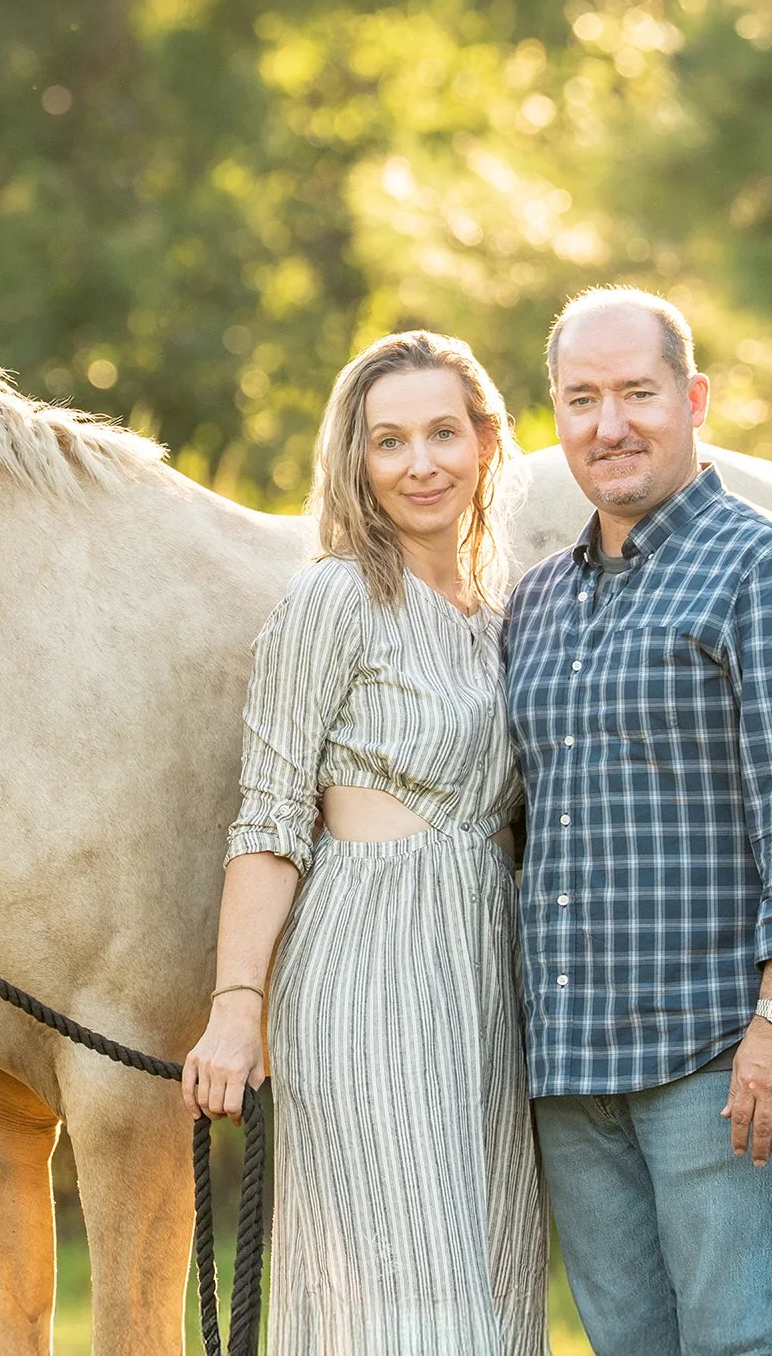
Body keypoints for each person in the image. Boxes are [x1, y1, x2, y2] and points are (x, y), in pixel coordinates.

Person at [504, 288, 772, 1356]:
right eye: (580, 399)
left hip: (715, 1055)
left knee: (736, 1342)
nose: (606, 424)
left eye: (634, 392)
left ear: (692, 397)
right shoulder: (535, 603)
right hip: (572, 1069)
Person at [183, 331, 547, 1353]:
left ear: (484, 443)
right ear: (355, 460)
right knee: (392, 1288)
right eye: (389, 441)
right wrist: (233, 1007)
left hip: (479, 974)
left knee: (487, 1272)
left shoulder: (497, 612)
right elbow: (266, 816)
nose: (419, 462)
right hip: (365, 966)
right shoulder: (332, 598)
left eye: (441, 432)